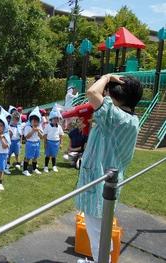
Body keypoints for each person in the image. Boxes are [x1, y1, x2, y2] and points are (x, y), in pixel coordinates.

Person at [76, 74, 143, 263]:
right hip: (106, 180)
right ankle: (100, 259)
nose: (105, 95)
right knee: (100, 229)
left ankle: (101, 260)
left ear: (117, 97)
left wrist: (106, 77)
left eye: (109, 94)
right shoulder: (129, 119)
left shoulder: (116, 117)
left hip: (99, 182)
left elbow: (91, 93)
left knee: (98, 233)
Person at [22, 107, 43, 176]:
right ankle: (25, 170)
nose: (35, 123)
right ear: (30, 121)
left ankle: (34, 168)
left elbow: (41, 137)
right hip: (30, 144)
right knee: (27, 157)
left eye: (36, 121)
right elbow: (27, 137)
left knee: (35, 157)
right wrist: (33, 130)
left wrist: (38, 131)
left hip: (37, 143)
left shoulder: (39, 127)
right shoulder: (27, 127)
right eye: (33, 121)